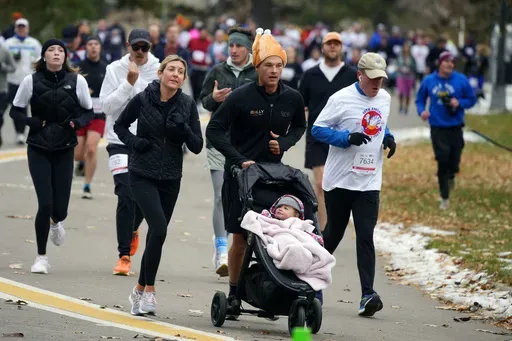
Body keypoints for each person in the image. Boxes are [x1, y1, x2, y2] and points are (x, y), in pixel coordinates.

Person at [206, 27, 306, 316]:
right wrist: (237, 159)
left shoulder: (293, 98)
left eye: (278, 66)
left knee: (274, 235)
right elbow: (214, 130)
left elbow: (300, 126)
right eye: (268, 66)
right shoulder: (240, 97)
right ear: (257, 67)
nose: (274, 71)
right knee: (239, 237)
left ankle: (271, 287)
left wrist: (284, 143)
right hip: (240, 176)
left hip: (273, 177)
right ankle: (235, 292)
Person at [114, 55, 203, 315]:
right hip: (141, 173)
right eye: (171, 70)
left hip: (170, 178)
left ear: (184, 79)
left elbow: (197, 146)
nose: (176, 74)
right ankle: (150, 291)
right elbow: (120, 126)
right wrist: (133, 143)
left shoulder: (187, 104)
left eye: (181, 72)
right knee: (160, 229)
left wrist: (184, 129)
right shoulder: (143, 99)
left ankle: (139, 290)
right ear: (161, 73)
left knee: (156, 235)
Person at [311, 52, 396, 317]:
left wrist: (389, 137)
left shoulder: (384, 98)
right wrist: (346, 137)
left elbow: (380, 124)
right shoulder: (341, 99)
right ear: (360, 75)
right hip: (339, 181)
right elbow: (317, 129)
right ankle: (311, 286)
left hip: (369, 180)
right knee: (333, 235)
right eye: (372, 78)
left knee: (366, 236)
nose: (377, 84)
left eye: (381, 79)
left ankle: (367, 294)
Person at [9, 38, 93, 274]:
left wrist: (77, 122)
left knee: (61, 208)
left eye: (60, 51)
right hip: (38, 146)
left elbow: (89, 111)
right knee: (45, 203)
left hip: (65, 147)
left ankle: (57, 222)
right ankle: (41, 257)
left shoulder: (77, 81)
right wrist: (30, 121)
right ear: (43, 56)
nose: (56, 53)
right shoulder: (31, 80)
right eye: (51, 50)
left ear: (66, 57)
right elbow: (15, 110)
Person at [99, 28, 160, 275]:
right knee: (125, 192)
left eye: (145, 47)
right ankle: (123, 255)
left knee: (143, 198)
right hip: (118, 139)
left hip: (147, 142)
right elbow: (107, 106)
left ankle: (133, 229)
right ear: (128, 46)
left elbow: (160, 102)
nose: (141, 52)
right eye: (137, 47)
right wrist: (128, 84)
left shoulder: (159, 69)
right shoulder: (114, 69)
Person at [199, 26, 258, 277]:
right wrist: (214, 98)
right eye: (230, 45)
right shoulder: (218, 71)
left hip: (247, 145)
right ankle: (221, 249)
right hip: (218, 142)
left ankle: (240, 250)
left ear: (248, 49)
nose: (233, 50)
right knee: (220, 196)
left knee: (246, 198)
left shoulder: (257, 73)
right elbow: (204, 101)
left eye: (238, 46)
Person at [299, 32, 358, 231]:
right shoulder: (310, 75)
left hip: (345, 138)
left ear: (341, 48)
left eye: (336, 44)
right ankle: (324, 233)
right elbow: (301, 106)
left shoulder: (352, 75)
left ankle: (337, 225)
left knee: (341, 188)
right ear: (322, 48)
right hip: (317, 136)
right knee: (321, 185)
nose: (332, 47)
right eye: (329, 44)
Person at [415, 51, 476, 210]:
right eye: (446, 62)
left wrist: (459, 102)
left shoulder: (461, 80)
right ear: (439, 63)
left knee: (454, 161)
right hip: (437, 127)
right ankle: (444, 197)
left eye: (452, 62)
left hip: (456, 126)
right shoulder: (429, 80)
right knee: (442, 160)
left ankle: (452, 174)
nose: (450, 65)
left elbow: (472, 99)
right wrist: (422, 111)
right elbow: (420, 99)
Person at [74, 36, 108, 199]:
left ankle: (87, 185)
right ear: (85, 47)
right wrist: (83, 93)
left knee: (92, 148)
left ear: (100, 48)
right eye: (90, 44)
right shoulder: (78, 68)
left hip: (99, 113)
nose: (93, 47)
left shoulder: (106, 68)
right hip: (81, 113)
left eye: (96, 44)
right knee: (78, 154)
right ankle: (80, 164)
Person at [4, 18, 42, 145]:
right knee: (10, 107)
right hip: (11, 80)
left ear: (27, 29)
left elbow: (41, 58)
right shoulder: (8, 43)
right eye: (19, 27)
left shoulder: (33, 43)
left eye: (23, 27)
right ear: (15, 28)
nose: (21, 30)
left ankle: (21, 133)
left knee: (25, 107)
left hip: (28, 80)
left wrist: (36, 66)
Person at [0, 42, 16, 148]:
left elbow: (13, 67)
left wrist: (3, 67)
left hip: (2, 89)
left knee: (0, 114)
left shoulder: (4, 51)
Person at [395, 42, 416, 114]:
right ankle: (400, 106)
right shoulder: (400, 56)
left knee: (408, 93)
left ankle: (406, 108)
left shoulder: (412, 57)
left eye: (408, 47)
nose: (406, 48)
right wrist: (400, 68)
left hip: (409, 76)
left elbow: (415, 67)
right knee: (401, 92)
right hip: (401, 76)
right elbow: (396, 65)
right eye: (405, 47)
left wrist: (410, 68)